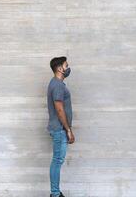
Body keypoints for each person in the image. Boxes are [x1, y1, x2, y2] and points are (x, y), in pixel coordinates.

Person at [47, 57, 75, 197]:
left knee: (57, 160)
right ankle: (55, 194)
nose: (68, 68)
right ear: (59, 68)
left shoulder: (56, 84)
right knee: (57, 160)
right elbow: (59, 109)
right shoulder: (57, 85)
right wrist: (68, 130)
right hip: (59, 129)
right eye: (66, 65)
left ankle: (55, 192)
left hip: (59, 128)